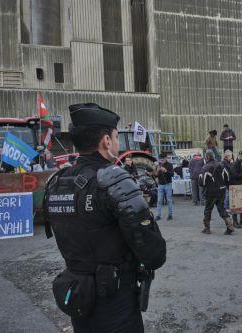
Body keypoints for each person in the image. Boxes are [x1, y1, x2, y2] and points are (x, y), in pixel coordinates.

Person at [43, 103, 166, 333]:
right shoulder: (113, 182)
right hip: (115, 305)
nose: (117, 144)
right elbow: (154, 253)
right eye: (116, 137)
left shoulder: (57, 183)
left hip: (79, 299)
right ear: (106, 141)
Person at [199, 150, 235, 235]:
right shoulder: (221, 165)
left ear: (206, 157)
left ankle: (207, 228)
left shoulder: (205, 167)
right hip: (222, 190)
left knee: (208, 209)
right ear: (214, 156)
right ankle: (230, 226)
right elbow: (227, 177)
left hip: (211, 192)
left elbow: (202, 183)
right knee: (221, 208)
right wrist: (223, 185)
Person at [154, 153, 174, 221]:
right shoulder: (158, 165)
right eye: (160, 158)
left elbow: (172, 174)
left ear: (166, 158)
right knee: (159, 201)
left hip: (168, 184)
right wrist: (156, 176)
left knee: (169, 200)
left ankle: (170, 214)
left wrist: (165, 171)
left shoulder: (170, 165)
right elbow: (156, 174)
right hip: (160, 185)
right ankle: (158, 215)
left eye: (162, 158)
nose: (161, 159)